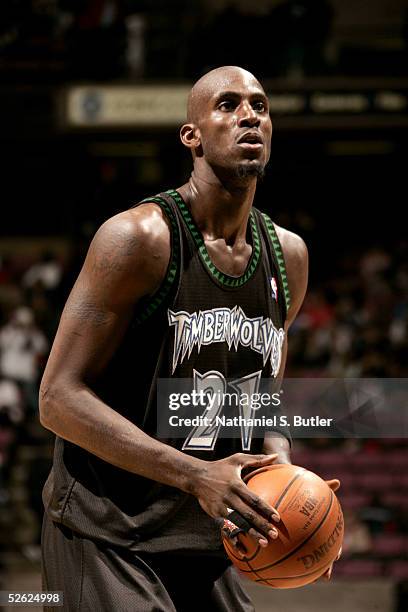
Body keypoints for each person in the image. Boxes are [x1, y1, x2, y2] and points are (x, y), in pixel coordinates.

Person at [39, 66, 340, 611]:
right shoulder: (138, 238)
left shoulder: (287, 256)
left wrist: (286, 475)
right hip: (108, 532)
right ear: (191, 136)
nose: (250, 115)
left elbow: (259, 397)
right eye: (228, 105)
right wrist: (197, 475)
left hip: (204, 539)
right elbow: (57, 399)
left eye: (260, 106)